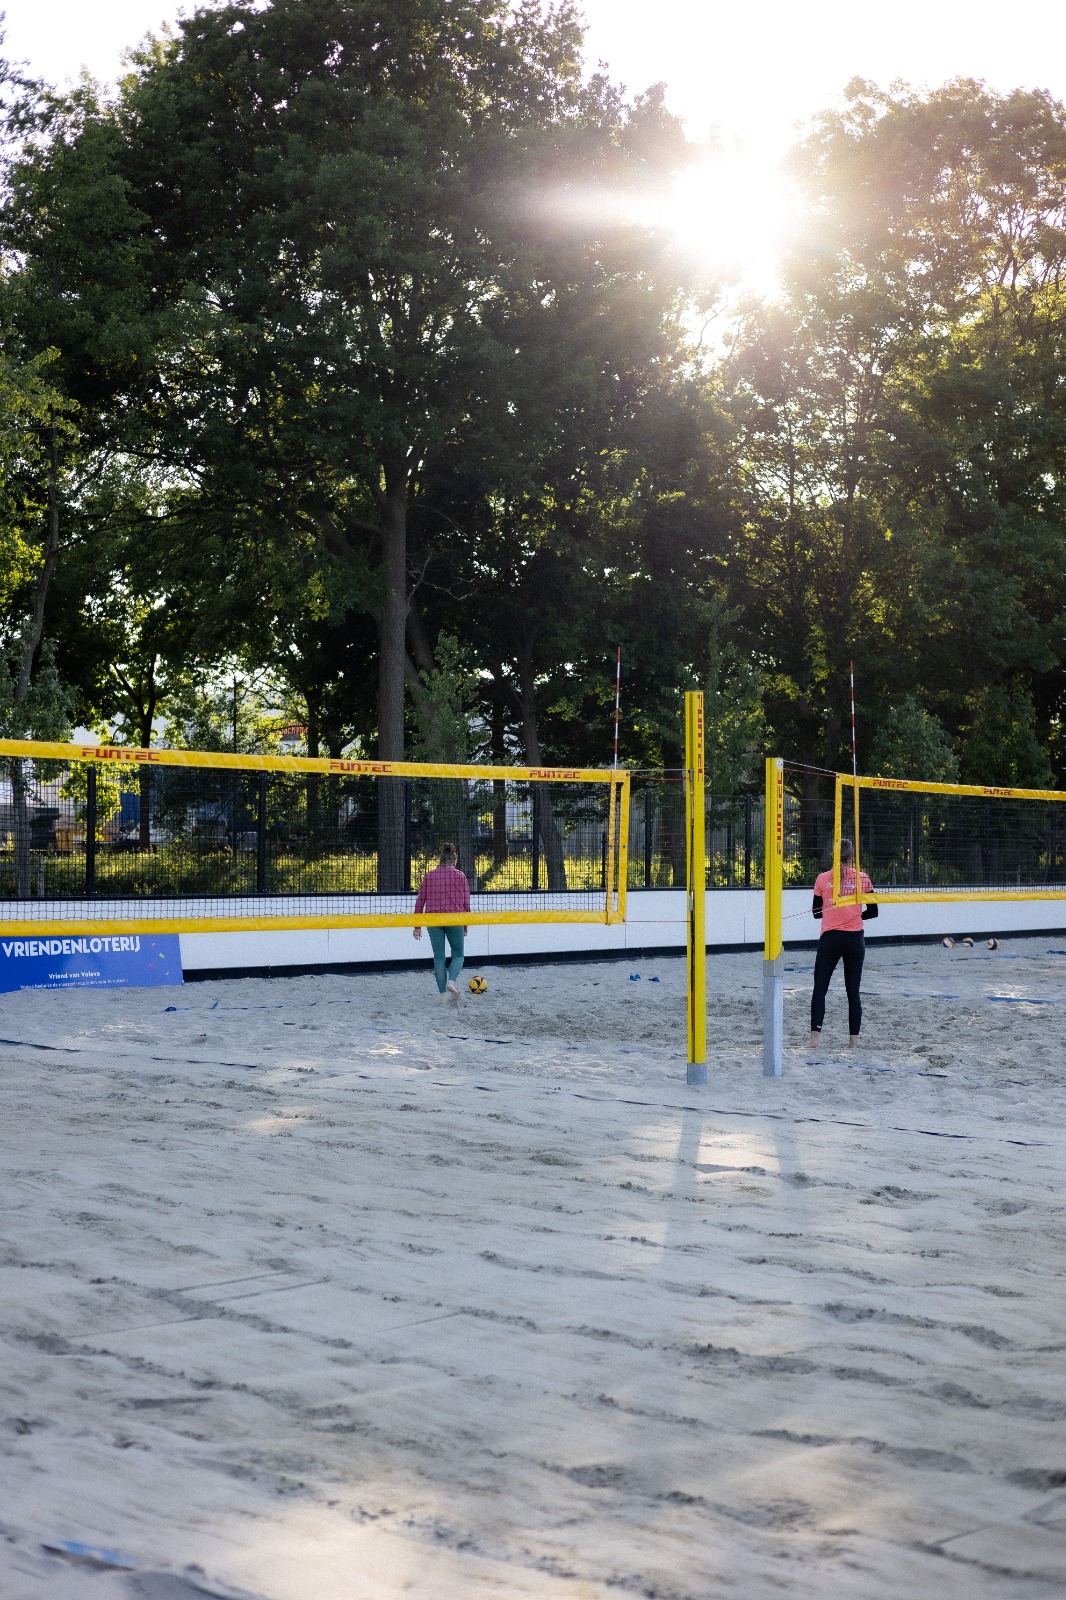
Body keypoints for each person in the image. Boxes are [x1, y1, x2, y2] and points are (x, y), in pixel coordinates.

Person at [808, 839, 877, 1049]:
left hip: (830, 938)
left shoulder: (822, 878)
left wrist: (836, 912)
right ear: (851, 856)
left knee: (820, 989)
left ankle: (814, 1040)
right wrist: (853, 915)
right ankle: (853, 1043)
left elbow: (815, 913)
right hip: (855, 939)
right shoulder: (862, 878)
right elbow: (873, 912)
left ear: (834, 855)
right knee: (853, 992)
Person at [413, 841, 470, 1002]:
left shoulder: (430, 876)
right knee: (458, 955)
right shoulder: (460, 876)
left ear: (441, 860)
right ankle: (451, 982)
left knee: (439, 958)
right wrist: (466, 923)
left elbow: (420, 901)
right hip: (455, 918)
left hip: (433, 919)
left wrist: (417, 926)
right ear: (454, 861)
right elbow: (466, 903)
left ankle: (443, 996)